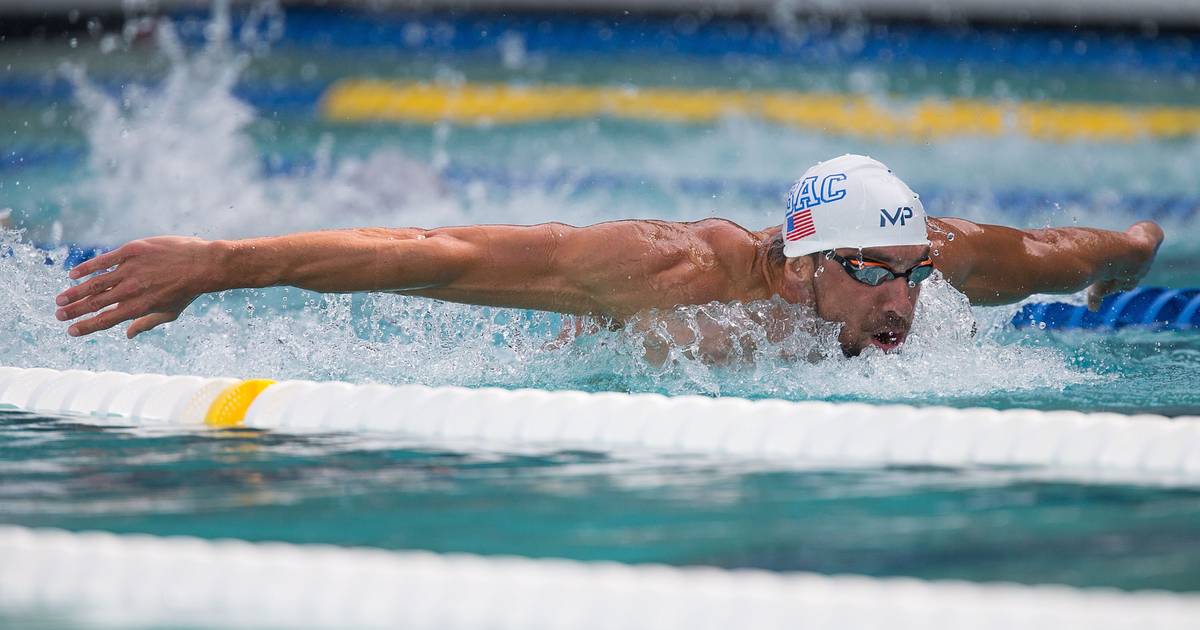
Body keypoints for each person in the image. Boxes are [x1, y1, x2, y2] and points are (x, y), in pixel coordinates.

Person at [54, 154, 1163, 358]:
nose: (907, 301)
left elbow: (1068, 253)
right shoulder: (670, 270)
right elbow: (428, 255)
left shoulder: (936, 262)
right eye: (877, 274)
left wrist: (1133, 252)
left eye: (913, 272)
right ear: (800, 263)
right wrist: (217, 261)